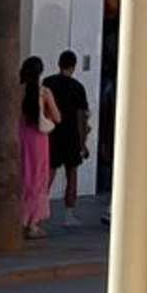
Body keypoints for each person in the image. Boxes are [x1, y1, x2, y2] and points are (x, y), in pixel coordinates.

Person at [47, 47, 91, 221]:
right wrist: (83, 143)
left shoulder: (48, 83)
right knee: (71, 173)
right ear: (73, 66)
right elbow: (82, 117)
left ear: (59, 64)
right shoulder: (78, 87)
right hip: (72, 135)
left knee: (49, 173)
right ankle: (69, 213)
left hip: (52, 134)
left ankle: (39, 208)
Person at [16, 53, 51, 236]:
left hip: (21, 136)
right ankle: (33, 223)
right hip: (39, 139)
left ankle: (20, 219)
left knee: (24, 176)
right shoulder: (44, 92)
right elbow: (57, 116)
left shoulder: (17, 90)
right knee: (38, 178)